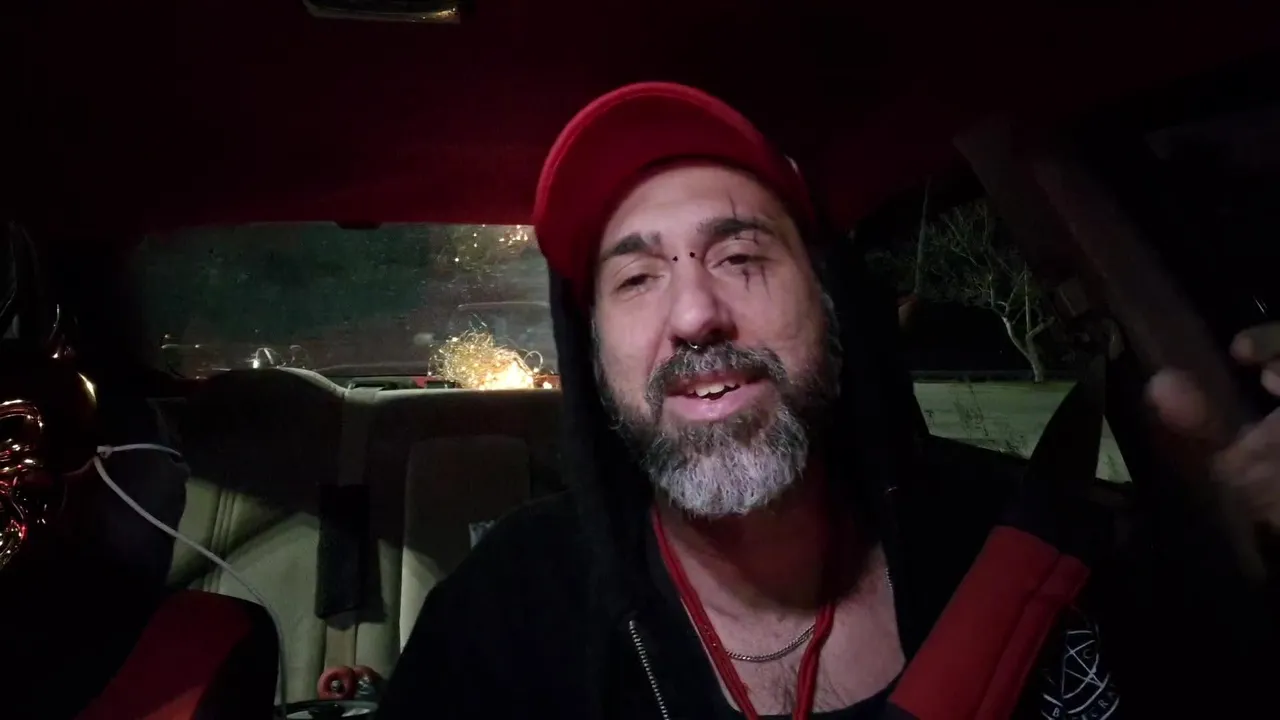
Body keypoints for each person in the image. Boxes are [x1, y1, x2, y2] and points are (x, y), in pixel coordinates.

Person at [379, 82, 1280, 719]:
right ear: (595, 353)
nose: (694, 314)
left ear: (833, 308)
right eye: (638, 278)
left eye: (741, 257)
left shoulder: (1035, 549)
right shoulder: (504, 619)